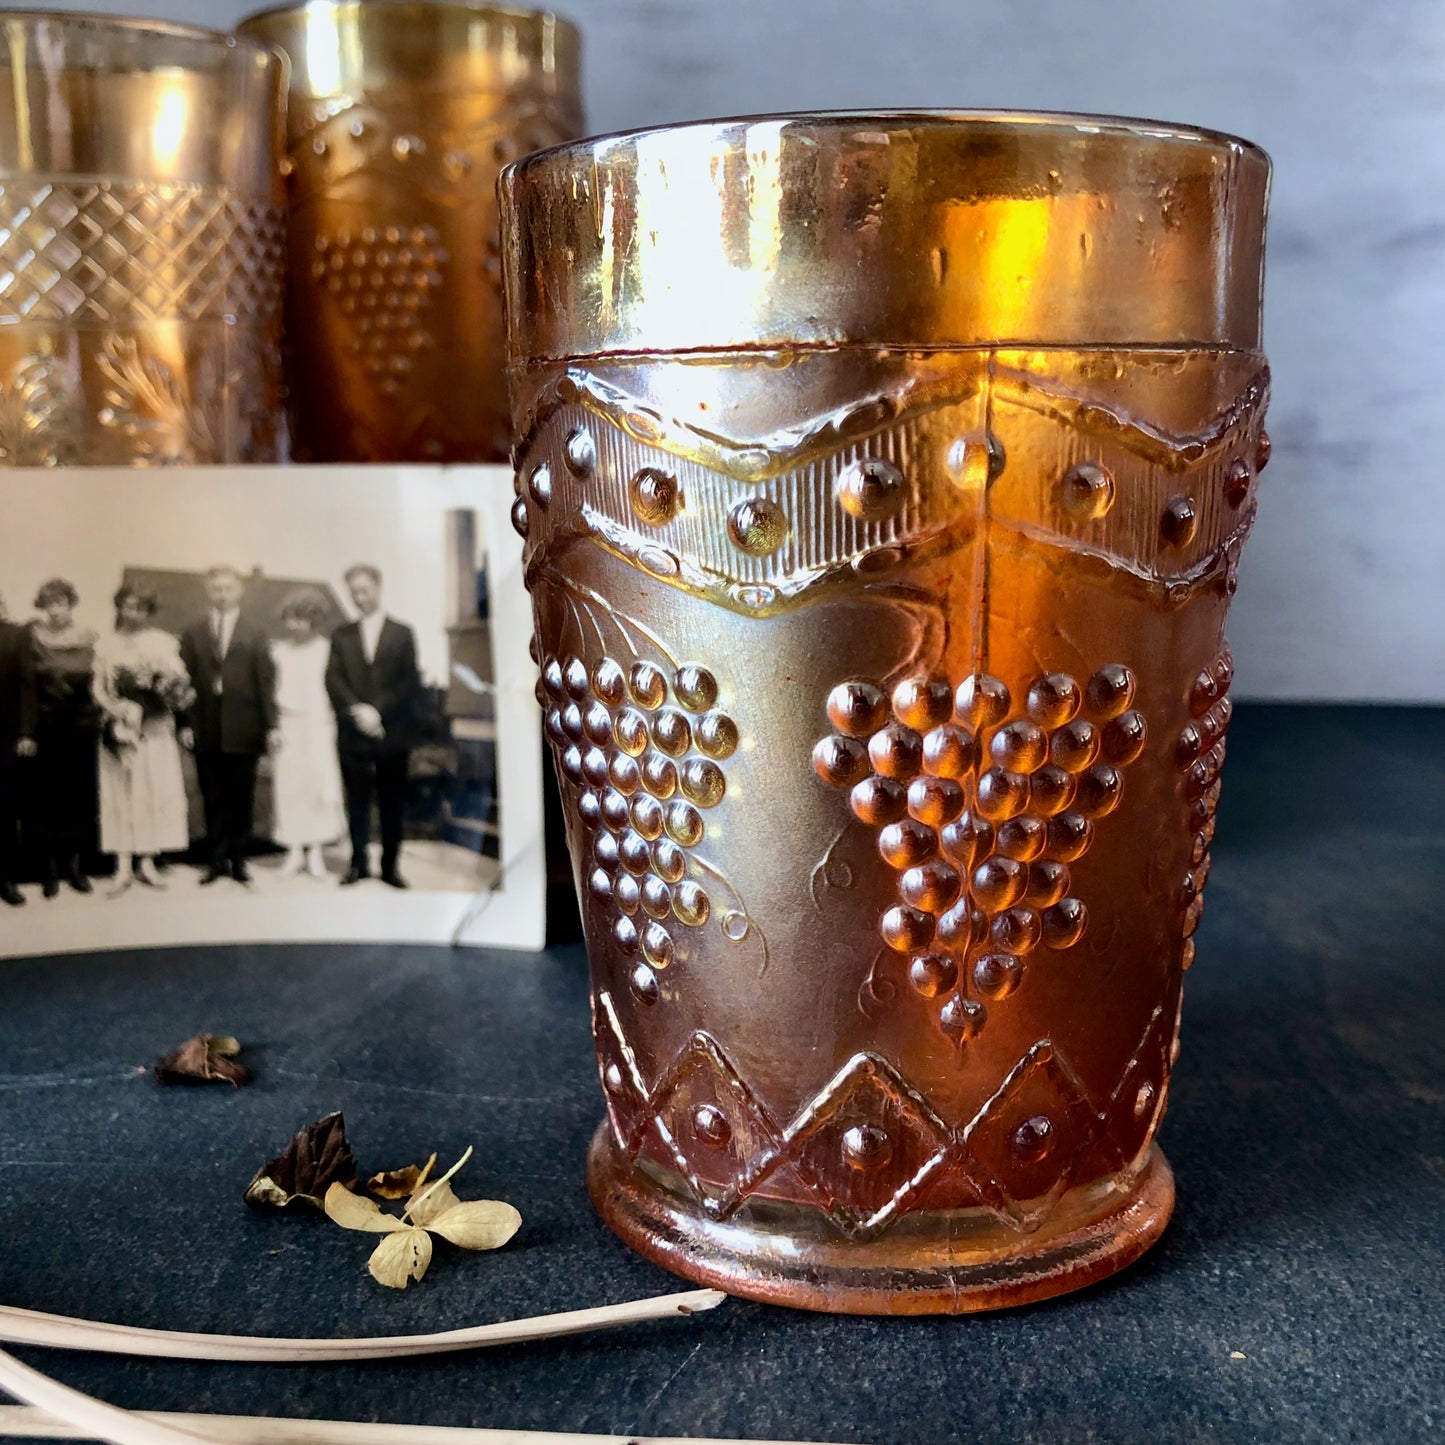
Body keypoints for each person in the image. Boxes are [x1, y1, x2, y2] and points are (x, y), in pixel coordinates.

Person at [178, 566, 279, 886]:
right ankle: (215, 859)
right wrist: (185, 724)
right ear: (209, 592)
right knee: (212, 796)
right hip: (206, 725)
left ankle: (239, 860)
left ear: (239, 592)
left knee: (241, 797)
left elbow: (266, 682)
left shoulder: (255, 632)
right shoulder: (193, 632)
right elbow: (182, 683)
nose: (222, 594)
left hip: (244, 727)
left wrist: (271, 725)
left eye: (228, 588)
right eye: (216, 589)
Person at [326, 564, 422, 889]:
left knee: (392, 803)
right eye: (353, 592)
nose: (359, 597)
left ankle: (390, 867)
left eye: (364, 590)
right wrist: (358, 711)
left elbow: (409, 683)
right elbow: (333, 679)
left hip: (391, 734)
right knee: (357, 803)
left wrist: (377, 712)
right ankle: (358, 865)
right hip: (353, 734)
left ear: (378, 588)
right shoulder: (341, 635)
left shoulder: (402, 633)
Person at [94, 587, 191, 895]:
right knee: (119, 793)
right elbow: (98, 688)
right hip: (120, 729)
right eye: (127, 606)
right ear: (119, 608)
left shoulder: (163, 642)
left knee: (151, 791)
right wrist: (119, 709)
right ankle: (122, 866)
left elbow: (177, 685)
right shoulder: (105, 644)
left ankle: (148, 862)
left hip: (155, 730)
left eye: (139, 608)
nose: (132, 613)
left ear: (149, 611)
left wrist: (163, 698)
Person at [28, 579, 99, 898]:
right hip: (46, 726)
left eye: (61, 603)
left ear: (72, 604)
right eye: (49, 603)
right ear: (42, 606)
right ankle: (48, 869)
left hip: (81, 726)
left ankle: (75, 866)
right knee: (45, 798)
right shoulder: (33, 638)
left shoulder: (90, 638)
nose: (55, 610)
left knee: (78, 797)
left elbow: (99, 683)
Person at [270, 588, 345, 879]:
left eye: (300, 619)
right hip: (288, 723)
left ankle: (315, 852)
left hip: (319, 723)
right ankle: (293, 851)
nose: (294, 625)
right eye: (289, 619)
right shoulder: (278, 652)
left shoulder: (327, 650)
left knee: (317, 786)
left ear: (314, 620)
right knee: (289, 786)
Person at [0, 596, 38, 907]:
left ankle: (6, 879)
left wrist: (27, 732)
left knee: (5, 811)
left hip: (6, 738)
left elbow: (28, 685)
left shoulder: (16, 635)